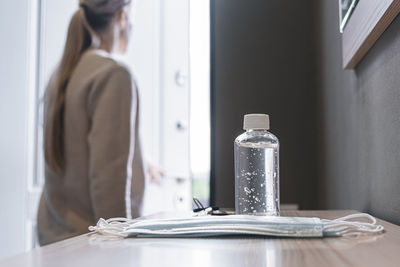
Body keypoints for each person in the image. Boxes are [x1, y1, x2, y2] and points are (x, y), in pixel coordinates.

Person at [37, 0, 145, 245]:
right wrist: (121, 250)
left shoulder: (63, 73)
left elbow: (77, 158)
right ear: (123, 17)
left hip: (56, 245)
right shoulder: (113, 74)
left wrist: (140, 165)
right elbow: (109, 184)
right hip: (93, 249)